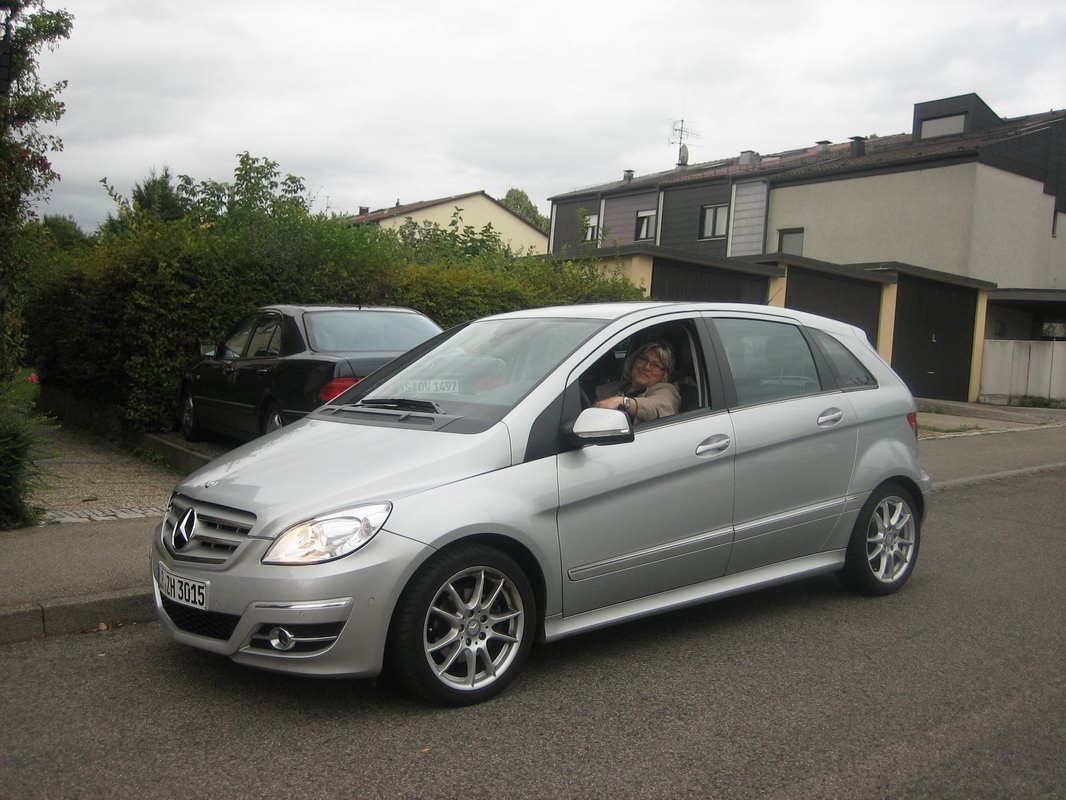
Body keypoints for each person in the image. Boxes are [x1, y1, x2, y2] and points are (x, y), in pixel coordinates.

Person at [594, 341, 680, 422]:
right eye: (643, 359)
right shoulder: (617, 386)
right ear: (633, 361)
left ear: (664, 373)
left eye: (656, 365)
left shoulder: (667, 390)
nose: (646, 367)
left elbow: (658, 407)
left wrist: (623, 402)